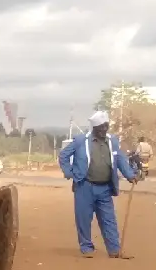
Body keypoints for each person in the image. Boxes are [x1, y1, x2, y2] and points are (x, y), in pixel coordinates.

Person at [58, 111, 137, 258]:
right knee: (84, 218)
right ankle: (86, 247)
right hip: (84, 186)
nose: (104, 130)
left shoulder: (112, 140)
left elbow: (119, 159)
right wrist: (69, 172)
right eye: (101, 127)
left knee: (109, 219)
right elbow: (63, 155)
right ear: (94, 127)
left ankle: (114, 249)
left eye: (106, 126)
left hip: (105, 187)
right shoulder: (81, 140)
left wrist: (130, 175)